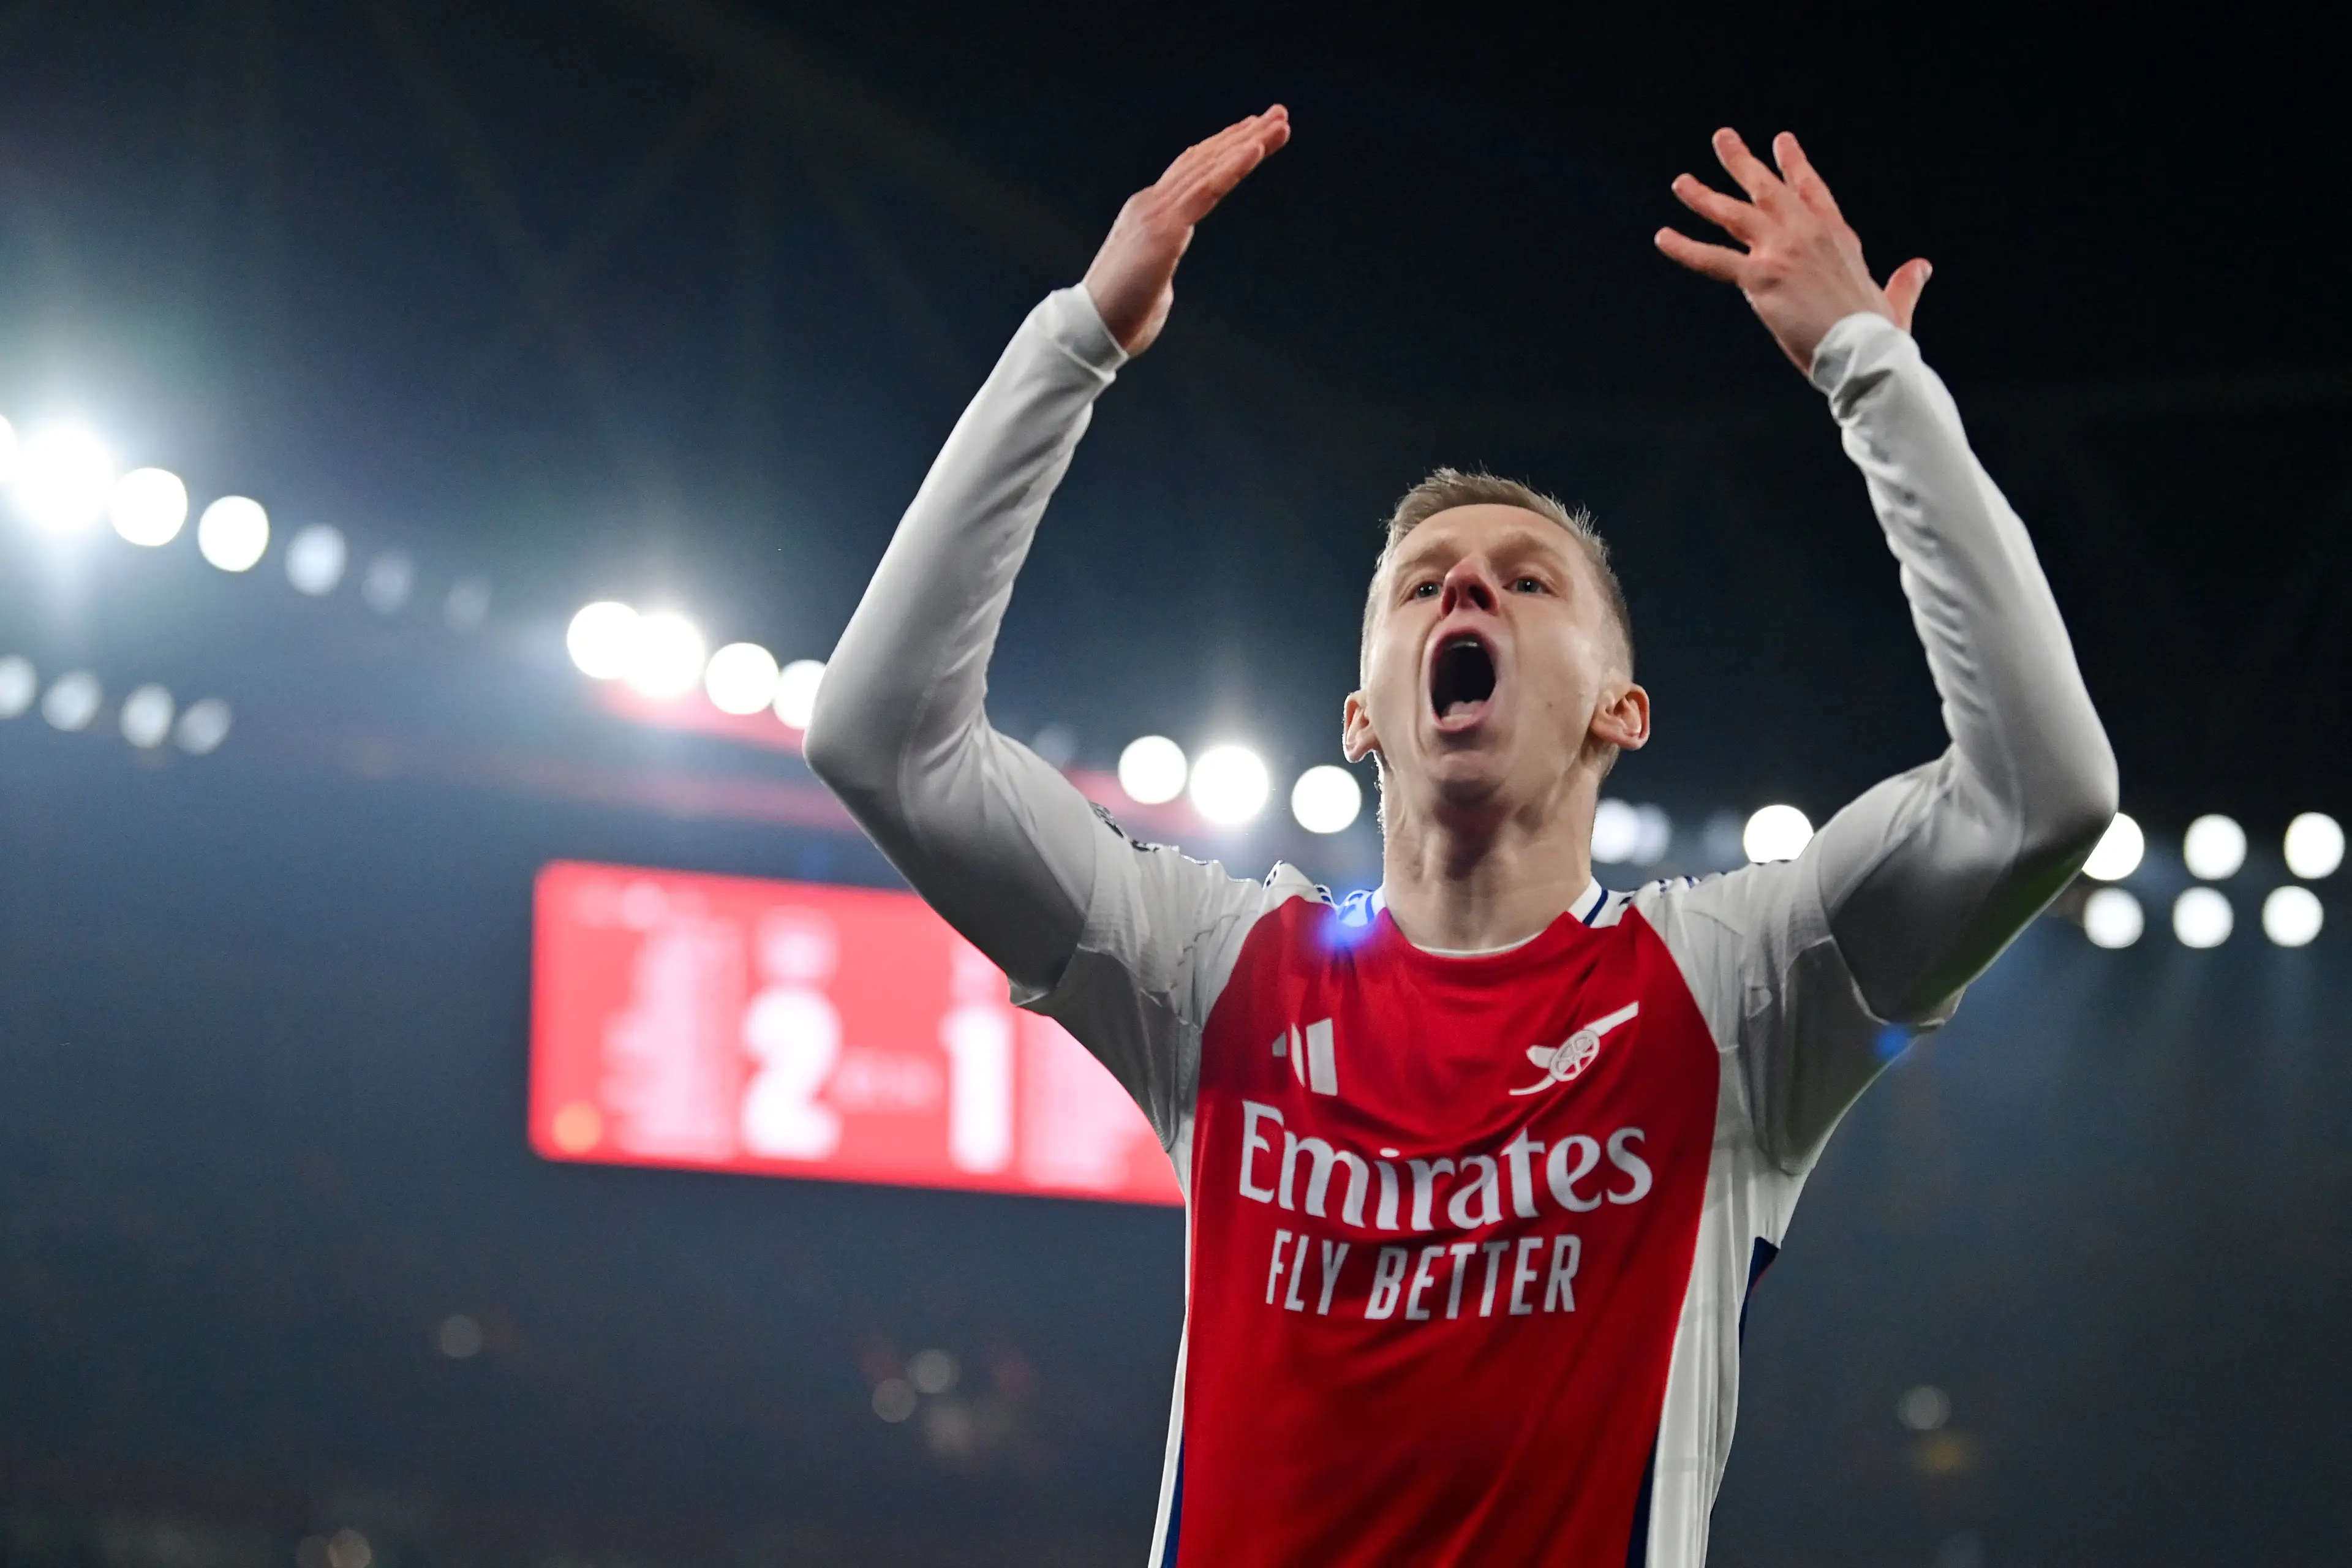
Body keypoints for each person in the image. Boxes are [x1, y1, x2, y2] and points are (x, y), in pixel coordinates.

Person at [805, 106, 2116, 1568]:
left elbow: (2041, 792)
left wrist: (1873, 373)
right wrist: (1077, 341)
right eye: (1422, 583)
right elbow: (882, 737)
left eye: (1525, 582)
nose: (1464, 599)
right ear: (1361, 713)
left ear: (1622, 708)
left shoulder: (1739, 987)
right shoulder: (1214, 972)